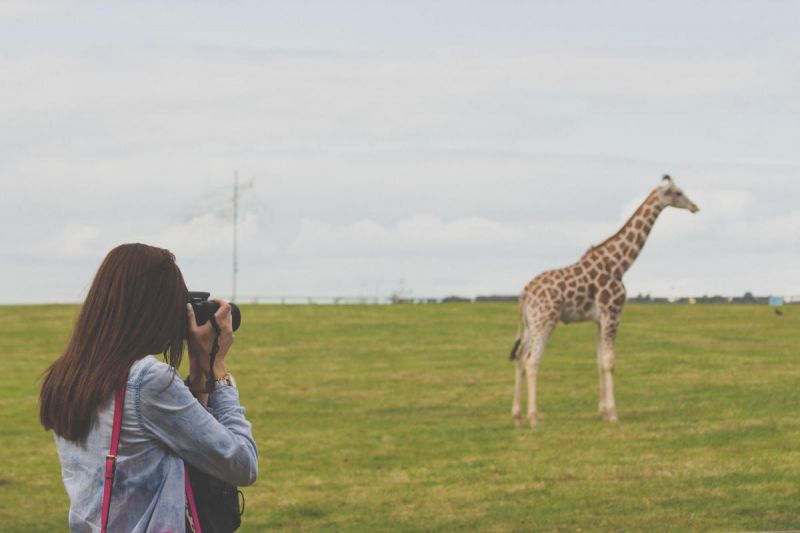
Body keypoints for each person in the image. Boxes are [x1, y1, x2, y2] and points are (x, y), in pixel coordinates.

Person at [39, 243, 258, 532]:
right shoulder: (147, 381)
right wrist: (218, 369)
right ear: (153, 309)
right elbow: (241, 463)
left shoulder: (67, 376)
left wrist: (197, 369)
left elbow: (191, 444)